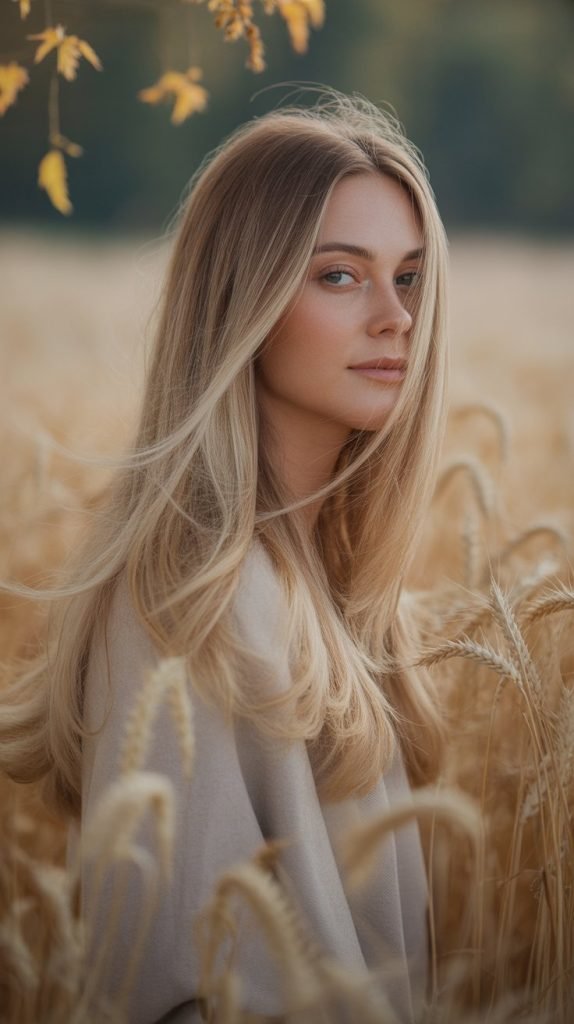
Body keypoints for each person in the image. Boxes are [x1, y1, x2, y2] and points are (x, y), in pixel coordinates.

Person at [0, 88, 449, 1022]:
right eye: (339, 275)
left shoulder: (332, 586)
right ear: (243, 298)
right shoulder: (199, 599)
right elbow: (186, 988)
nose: (396, 317)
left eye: (408, 276)